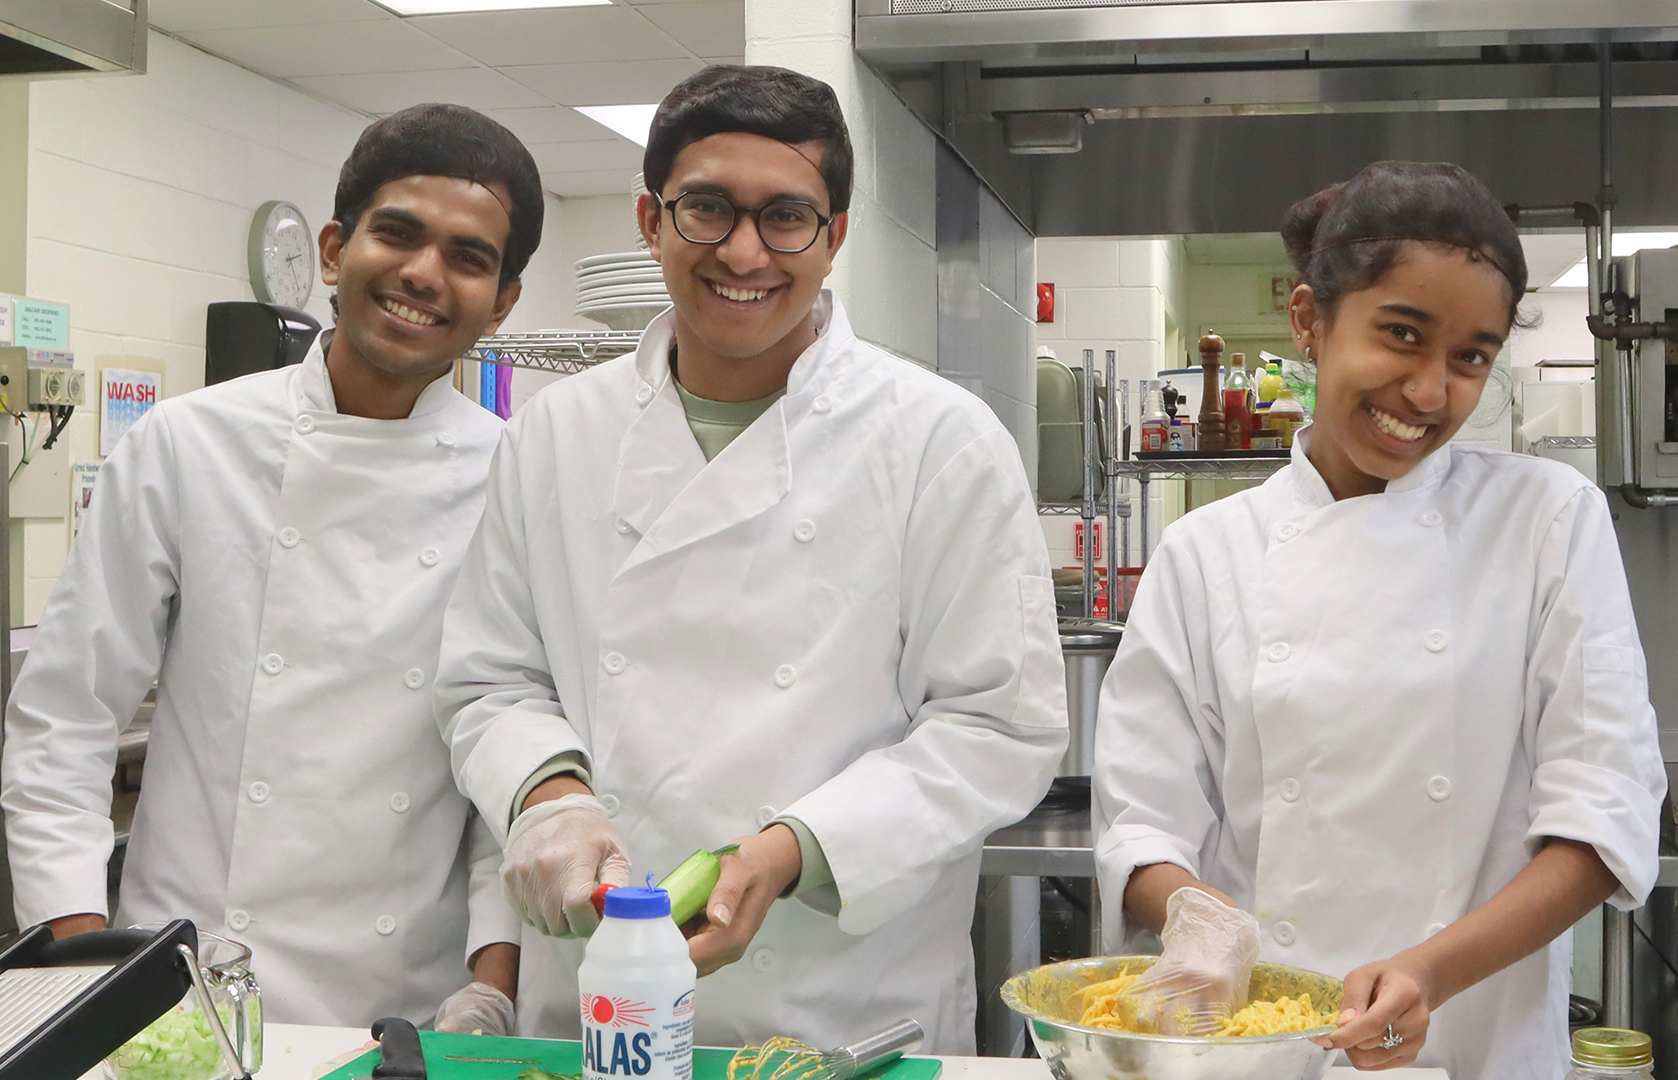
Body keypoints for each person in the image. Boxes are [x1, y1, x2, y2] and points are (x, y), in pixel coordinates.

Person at [436, 65, 1066, 1052]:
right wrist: (550, 799)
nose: (743, 251)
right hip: (601, 984)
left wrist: (788, 852)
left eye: (786, 218)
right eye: (706, 209)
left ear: (835, 237)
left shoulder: (940, 437)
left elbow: (1000, 724)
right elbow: (489, 678)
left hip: (839, 1003)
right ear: (651, 219)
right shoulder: (556, 433)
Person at [1091, 160, 1665, 1080]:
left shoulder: (1548, 518)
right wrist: (1198, 920)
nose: (1432, 392)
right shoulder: (1205, 555)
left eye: (1471, 357)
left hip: (1479, 1037)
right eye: (1402, 335)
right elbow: (1143, 823)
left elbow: (1604, 815)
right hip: (1260, 1045)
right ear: (1311, 323)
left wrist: (1430, 972)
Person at [1, 103, 541, 1031]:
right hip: (184, 984)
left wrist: (492, 990)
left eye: (468, 256)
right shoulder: (190, 442)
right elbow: (67, 718)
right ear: (335, 249)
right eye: (398, 234)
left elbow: (508, 772)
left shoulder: (518, 475)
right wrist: (84, 967)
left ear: (502, 301)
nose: (423, 274)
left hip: (408, 1005)